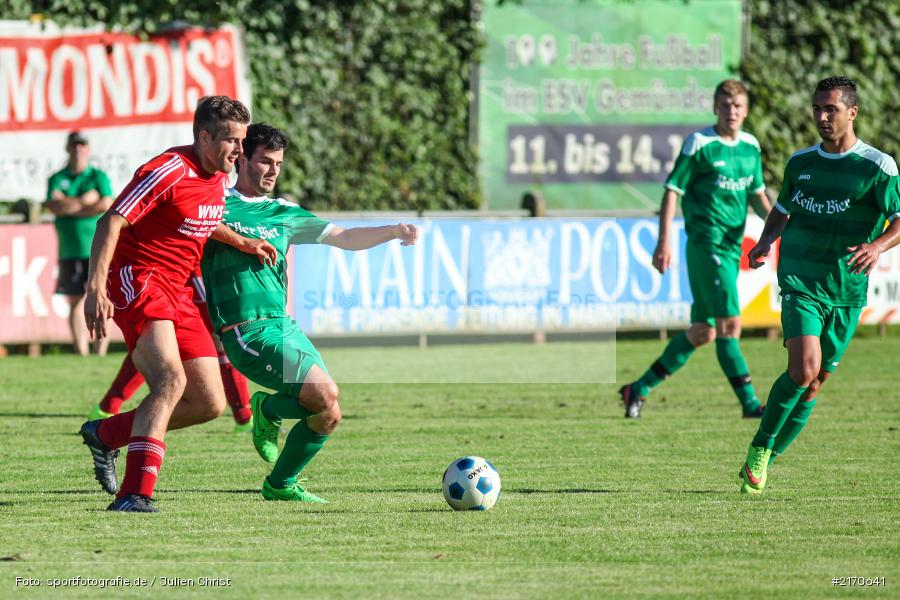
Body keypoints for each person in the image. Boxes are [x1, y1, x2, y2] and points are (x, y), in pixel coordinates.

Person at [201, 123, 419, 503]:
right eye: (265, 161)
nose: (273, 170)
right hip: (244, 331)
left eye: (279, 164)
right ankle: (267, 408)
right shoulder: (215, 202)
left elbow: (345, 238)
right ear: (243, 159)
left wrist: (393, 230)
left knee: (329, 413)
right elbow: (186, 221)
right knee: (323, 392)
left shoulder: (283, 212)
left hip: (284, 326)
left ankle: (279, 484)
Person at [79, 95, 276, 513]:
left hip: (180, 289)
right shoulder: (167, 170)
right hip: (140, 280)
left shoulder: (217, 175)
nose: (240, 149)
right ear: (204, 136)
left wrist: (242, 241)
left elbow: (202, 217)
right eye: (232, 140)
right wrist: (95, 288)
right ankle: (135, 495)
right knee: (170, 382)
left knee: (208, 404)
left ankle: (106, 435)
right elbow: (110, 220)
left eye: (243, 140)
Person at [738, 76, 900, 493]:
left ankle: (768, 457)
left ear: (852, 112)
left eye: (830, 109)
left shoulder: (877, 167)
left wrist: (879, 245)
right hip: (800, 280)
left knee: (815, 383)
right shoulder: (800, 163)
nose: (822, 117)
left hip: (846, 290)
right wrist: (767, 240)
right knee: (803, 367)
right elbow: (781, 210)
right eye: (816, 109)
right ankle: (760, 447)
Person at [619, 79, 772, 418]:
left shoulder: (751, 147)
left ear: (746, 111)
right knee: (730, 325)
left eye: (737, 106)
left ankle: (638, 388)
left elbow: (758, 196)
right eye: (725, 105)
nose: (731, 111)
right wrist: (664, 241)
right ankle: (749, 404)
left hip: (732, 249)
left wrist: (780, 225)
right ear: (715, 108)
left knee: (704, 331)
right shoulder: (700, 143)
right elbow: (673, 190)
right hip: (707, 245)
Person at [86, 266, 254, 433]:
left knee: (154, 343)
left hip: (185, 270)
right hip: (190, 270)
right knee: (216, 338)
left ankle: (107, 408)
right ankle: (244, 417)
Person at [46, 131, 114, 356]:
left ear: (88, 149)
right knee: (75, 301)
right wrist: (85, 201)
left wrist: (69, 205)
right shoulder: (57, 177)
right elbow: (54, 206)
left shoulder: (97, 175)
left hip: (98, 247)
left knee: (102, 296)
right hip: (70, 249)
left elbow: (105, 202)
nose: (78, 149)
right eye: (74, 145)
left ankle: (100, 349)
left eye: (82, 145)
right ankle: (81, 351)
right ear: (68, 148)